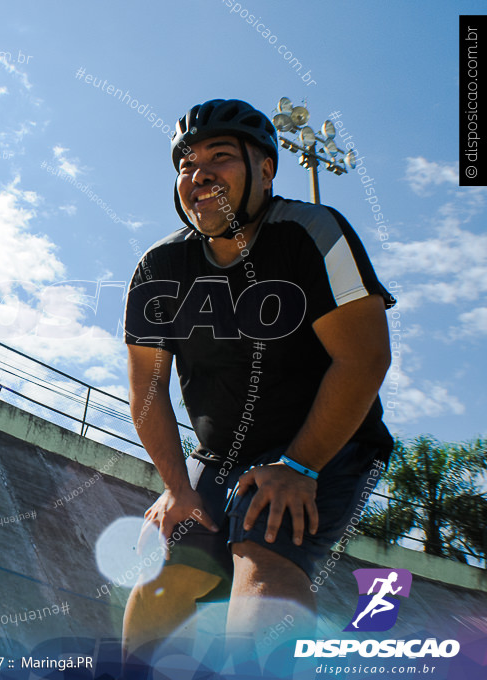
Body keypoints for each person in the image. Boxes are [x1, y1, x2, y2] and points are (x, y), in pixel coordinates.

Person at [121, 99, 395, 668]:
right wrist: (177, 487)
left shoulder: (311, 231)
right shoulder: (158, 267)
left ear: (266, 170)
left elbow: (364, 360)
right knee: (166, 569)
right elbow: (148, 391)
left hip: (328, 442)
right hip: (220, 451)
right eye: (187, 164)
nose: (198, 175)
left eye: (220, 157)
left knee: (261, 553)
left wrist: (299, 467)